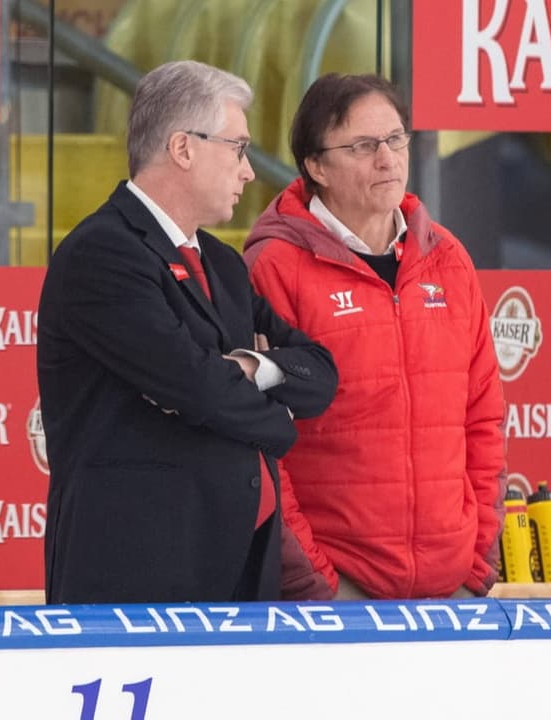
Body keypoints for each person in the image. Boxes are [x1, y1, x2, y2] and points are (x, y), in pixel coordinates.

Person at [37, 60, 338, 604]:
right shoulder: (102, 253)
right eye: (239, 148)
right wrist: (277, 414)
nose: (249, 172)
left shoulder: (221, 263)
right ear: (183, 149)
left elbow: (319, 371)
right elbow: (199, 388)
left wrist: (250, 367)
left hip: (239, 571)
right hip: (138, 576)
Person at [244, 74, 506, 601]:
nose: (387, 159)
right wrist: (315, 580)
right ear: (316, 166)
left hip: (450, 589)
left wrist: (476, 559)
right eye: (363, 146)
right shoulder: (274, 267)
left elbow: (482, 415)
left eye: (395, 139)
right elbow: (257, 441)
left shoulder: (447, 258)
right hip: (339, 595)